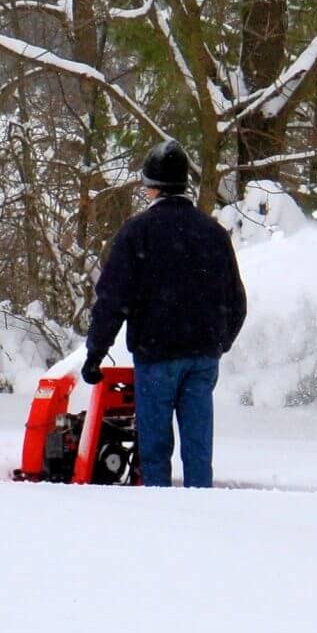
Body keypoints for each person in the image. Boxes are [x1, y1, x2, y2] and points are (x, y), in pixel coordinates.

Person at [81, 142, 248, 487]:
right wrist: (218, 343)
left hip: (156, 355)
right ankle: (202, 505)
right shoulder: (213, 233)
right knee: (198, 446)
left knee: (155, 450)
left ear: (152, 188)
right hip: (202, 357)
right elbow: (237, 301)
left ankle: (161, 516)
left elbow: (112, 300)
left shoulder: (137, 233)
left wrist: (95, 353)